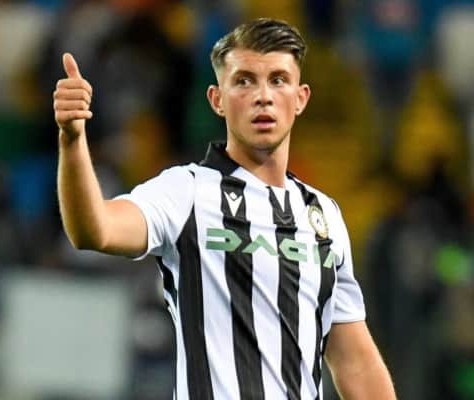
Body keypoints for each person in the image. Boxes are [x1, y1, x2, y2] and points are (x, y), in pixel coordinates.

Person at [54, 17, 396, 400]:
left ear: (300, 98)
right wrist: (72, 139)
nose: (263, 96)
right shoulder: (185, 191)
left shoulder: (322, 215)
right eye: (244, 81)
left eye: (278, 80)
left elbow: (354, 363)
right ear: (217, 99)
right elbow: (95, 230)